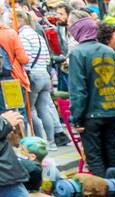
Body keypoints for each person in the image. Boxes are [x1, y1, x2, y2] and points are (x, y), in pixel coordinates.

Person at [68, 19, 115, 176]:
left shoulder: (77, 53)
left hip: (90, 114)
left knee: (95, 156)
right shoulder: (108, 51)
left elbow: (78, 90)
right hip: (111, 109)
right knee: (113, 152)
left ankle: (103, 193)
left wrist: (76, 118)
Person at [17, 9, 58, 143]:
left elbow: (25, 60)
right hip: (44, 74)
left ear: (19, 20)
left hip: (33, 76)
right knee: (44, 109)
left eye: (13, 19)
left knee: (30, 111)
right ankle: (51, 142)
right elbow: (47, 59)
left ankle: (40, 141)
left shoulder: (23, 36)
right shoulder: (37, 35)